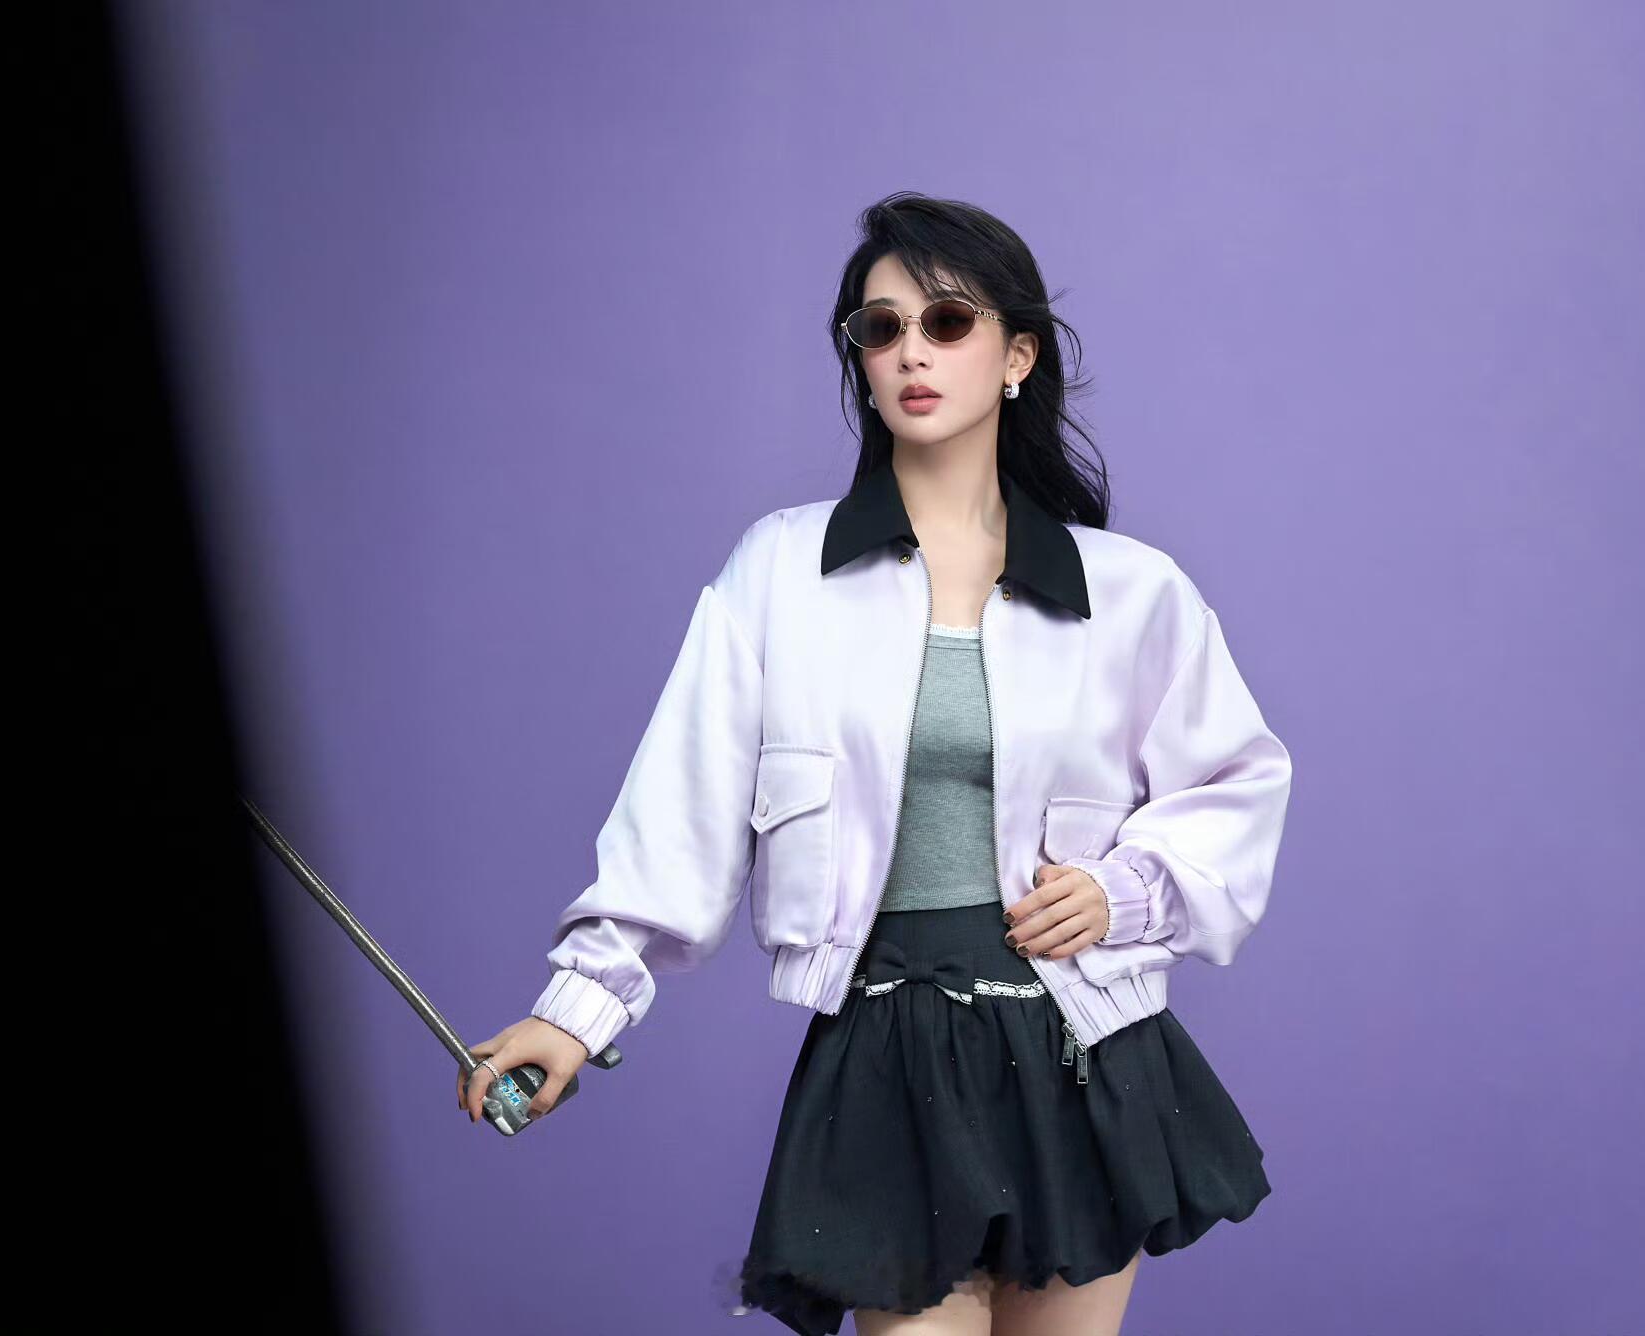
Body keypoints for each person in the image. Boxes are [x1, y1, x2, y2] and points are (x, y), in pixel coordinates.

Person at [460, 191, 1291, 1335]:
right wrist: (579, 1008)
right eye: (879, 328)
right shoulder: (780, 570)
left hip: (1081, 1048)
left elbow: (1235, 782)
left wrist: (1122, 891)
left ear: (1016, 356)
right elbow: (680, 808)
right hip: (887, 1050)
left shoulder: (1129, 590)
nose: (910, 352)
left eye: (945, 322)